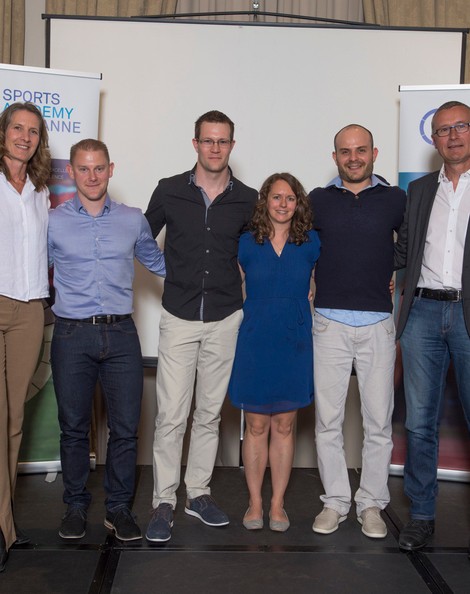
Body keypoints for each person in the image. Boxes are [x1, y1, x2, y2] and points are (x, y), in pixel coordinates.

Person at [144, 110, 257, 542]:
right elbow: (140, 238)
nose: (215, 148)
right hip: (179, 315)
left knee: (209, 415)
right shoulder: (170, 190)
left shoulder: (248, 198)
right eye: (207, 141)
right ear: (195, 143)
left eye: (222, 141)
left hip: (227, 318)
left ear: (232, 145)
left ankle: (198, 494)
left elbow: (259, 252)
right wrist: (168, 270)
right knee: (171, 416)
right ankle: (163, 501)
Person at [48, 139, 165, 542]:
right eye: (84, 168)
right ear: (72, 172)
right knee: (74, 427)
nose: (92, 176)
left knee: (126, 428)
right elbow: (30, 269)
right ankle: (76, 506)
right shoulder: (54, 221)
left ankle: (118, 508)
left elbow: (158, 262)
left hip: (120, 334)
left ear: (111, 169)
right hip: (71, 334)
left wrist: (214, 274)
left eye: (99, 168)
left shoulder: (133, 219)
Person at [309, 124, 406, 539]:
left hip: (378, 324)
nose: (353, 158)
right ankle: (335, 502)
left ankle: (370, 504)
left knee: (378, 423)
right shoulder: (316, 199)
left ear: (374, 153)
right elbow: (301, 244)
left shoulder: (396, 199)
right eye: (345, 151)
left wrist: (397, 273)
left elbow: (415, 244)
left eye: (360, 150)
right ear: (335, 157)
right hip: (328, 322)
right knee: (327, 420)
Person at [395, 101, 470, 551]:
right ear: (434, 139)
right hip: (422, 313)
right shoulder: (420, 190)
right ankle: (421, 516)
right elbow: (403, 251)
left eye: (461, 126)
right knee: (420, 423)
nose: (453, 135)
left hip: (466, 314)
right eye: (443, 130)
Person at [228, 173, 320, 532]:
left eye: (291, 198)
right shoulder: (246, 243)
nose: (283, 204)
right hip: (255, 340)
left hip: (294, 341)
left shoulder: (312, 242)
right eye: (277, 197)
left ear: (299, 204)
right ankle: (254, 503)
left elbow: (327, 281)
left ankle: (278, 504)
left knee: (284, 425)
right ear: (265, 201)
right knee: (255, 425)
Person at [0, 102, 51, 572]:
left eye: (33, 131)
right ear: (4, 132)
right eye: (17, 128)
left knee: (15, 419)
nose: (24, 136)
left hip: (31, 308)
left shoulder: (39, 191)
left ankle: (6, 528)